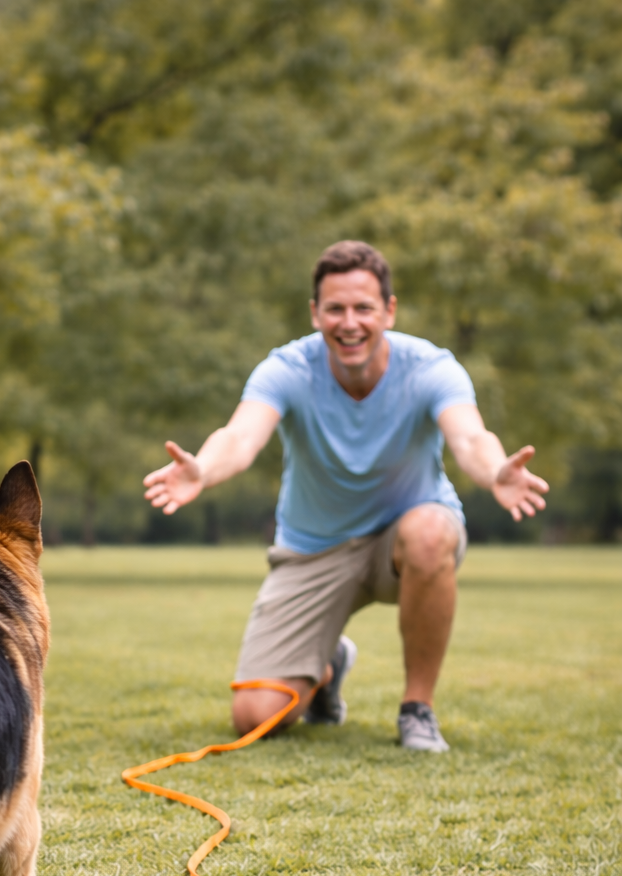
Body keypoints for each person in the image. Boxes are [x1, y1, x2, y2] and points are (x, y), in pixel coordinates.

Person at [143, 241, 547, 751]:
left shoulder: (431, 368)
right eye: (335, 308)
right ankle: (329, 668)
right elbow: (241, 437)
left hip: (404, 540)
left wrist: (494, 472)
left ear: (389, 310)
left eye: (364, 308)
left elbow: (469, 437)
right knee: (255, 716)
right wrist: (203, 468)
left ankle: (417, 709)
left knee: (430, 531)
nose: (349, 322)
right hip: (314, 549)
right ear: (315, 313)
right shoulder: (287, 369)